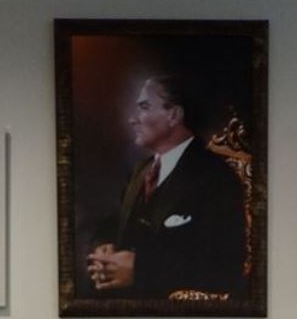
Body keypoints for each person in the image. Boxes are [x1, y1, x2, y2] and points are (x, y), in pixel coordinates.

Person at [86, 75, 247, 299]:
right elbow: (114, 223)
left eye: (144, 107)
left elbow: (225, 266)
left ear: (174, 115)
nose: (133, 119)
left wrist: (140, 270)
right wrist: (103, 248)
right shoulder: (141, 171)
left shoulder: (216, 177)